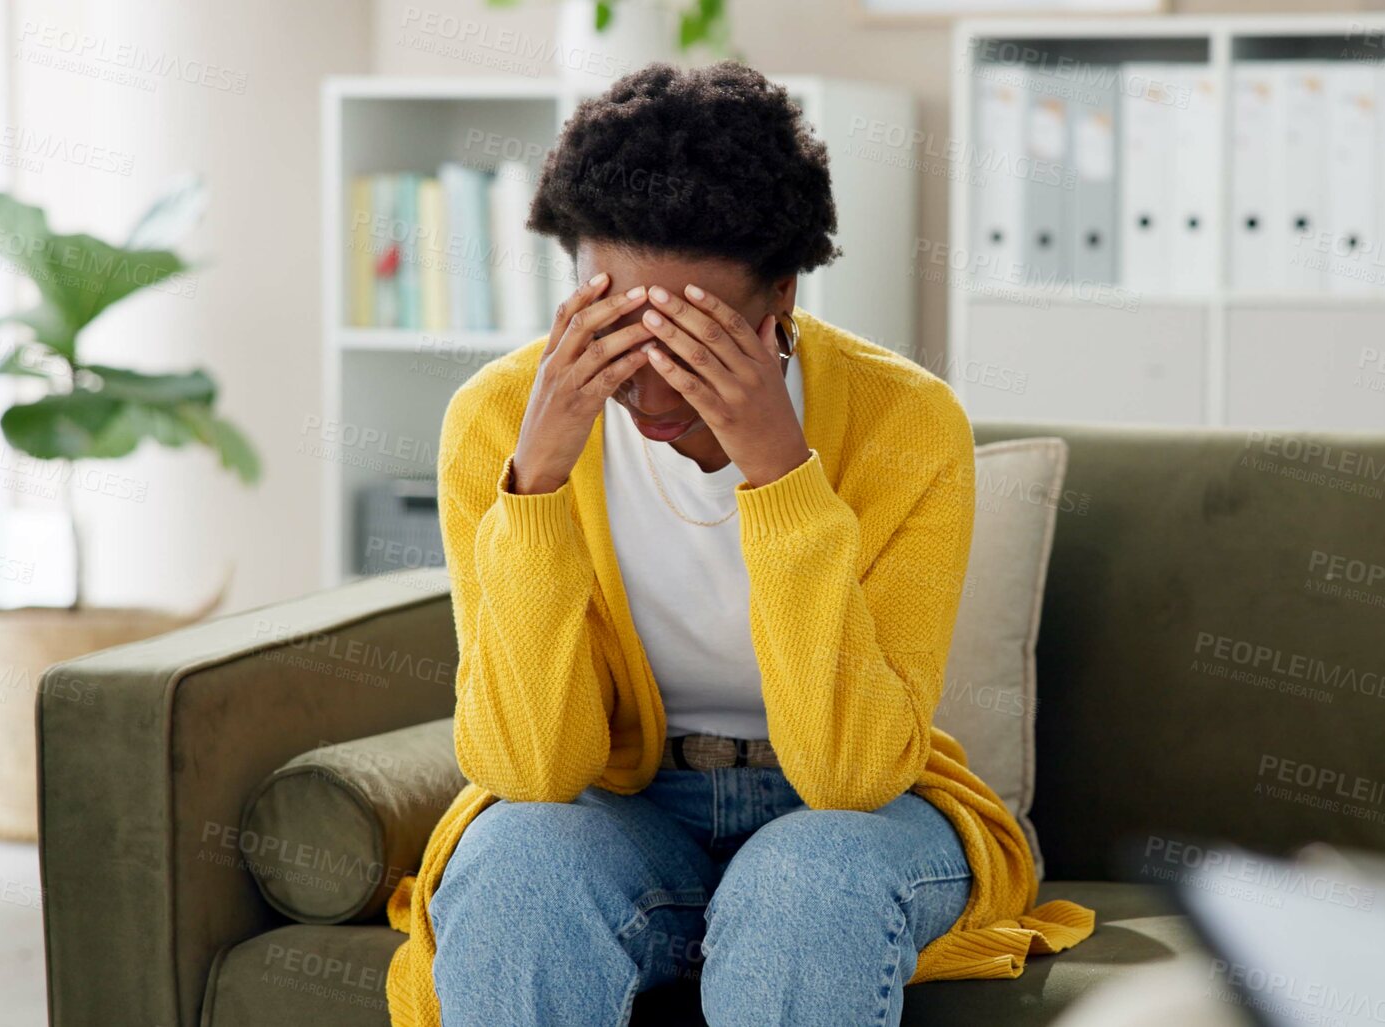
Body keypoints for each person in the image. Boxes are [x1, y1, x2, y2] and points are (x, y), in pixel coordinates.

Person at [381, 62, 1092, 1027]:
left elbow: (851, 777)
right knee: (515, 862)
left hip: (859, 820)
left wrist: (779, 472)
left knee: (806, 883)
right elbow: (529, 773)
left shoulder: (907, 423)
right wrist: (538, 484)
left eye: (692, 341)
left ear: (782, 300)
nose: (654, 390)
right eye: (619, 331)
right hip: (629, 807)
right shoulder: (500, 423)